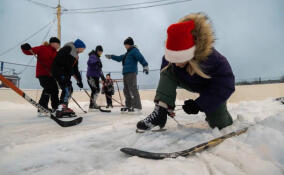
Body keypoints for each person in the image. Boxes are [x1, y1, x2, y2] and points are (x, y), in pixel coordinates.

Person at [137, 13, 235, 131]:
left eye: (179, 59)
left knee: (219, 124)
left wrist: (200, 104)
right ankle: (159, 114)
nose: (176, 64)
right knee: (167, 70)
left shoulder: (215, 60)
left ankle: (221, 118)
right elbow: (166, 78)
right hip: (188, 81)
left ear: (191, 54)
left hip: (211, 88)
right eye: (172, 59)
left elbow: (226, 86)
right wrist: (166, 106)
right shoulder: (170, 60)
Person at [105, 37, 149, 114]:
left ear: (130, 44)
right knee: (126, 90)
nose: (125, 46)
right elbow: (119, 58)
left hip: (131, 72)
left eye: (126, 45)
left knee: (133, 89)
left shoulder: (134, 51)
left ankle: (137, 106)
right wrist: (111, 56)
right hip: (125, 73)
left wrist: (145, 65)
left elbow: (140, 58)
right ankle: (128, 105)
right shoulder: (127, 53)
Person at [21, 37, 61, 117]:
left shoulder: (56, 53)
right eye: (58, 44)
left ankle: (55, 108)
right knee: (48, 88)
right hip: (43, 73)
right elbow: (30, 51)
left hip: (51, 75)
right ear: (52, 43)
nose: (58, 46)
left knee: (55, 90)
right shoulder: (43, 48)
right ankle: (42, 108)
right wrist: (25, 47)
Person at [51, 39, 86, 117]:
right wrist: (69, 69)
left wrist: (79, 81)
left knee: (69, 88)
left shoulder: (75, 56)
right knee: (67, 88)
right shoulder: (68, 48)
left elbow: (75, 70)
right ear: (79, 47)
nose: (83, 51)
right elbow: (60, 59)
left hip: (65, 73)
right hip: (59, 71)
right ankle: (61, 108)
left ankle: (63, 106)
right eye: (82, 49)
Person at [86, 45, 106, 111]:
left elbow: (99, 69)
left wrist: (103, 77)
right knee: (94, 90)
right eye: (100, 51)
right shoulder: (92, 56)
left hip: (96, 76)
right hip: (91, 76)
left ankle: (93, 104)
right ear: (97, 51)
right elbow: (89, 62)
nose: (101, 53)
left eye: (101, 52)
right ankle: (91, 106)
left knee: (97, 90)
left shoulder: (98, 58)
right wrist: (96, 62)